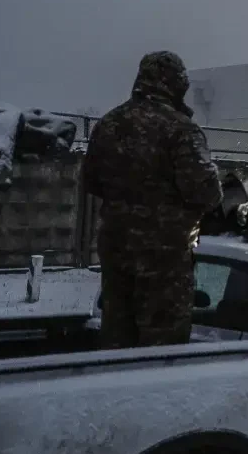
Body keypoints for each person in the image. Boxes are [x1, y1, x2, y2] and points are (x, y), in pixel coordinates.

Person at [82, 51, 222, 348]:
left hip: (115, 249)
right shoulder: (180, 128)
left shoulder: (108, 124)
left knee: (117, 336)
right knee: (163, 346)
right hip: (165, 256)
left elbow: (91, 182)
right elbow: (205, 192)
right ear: (174, 84)